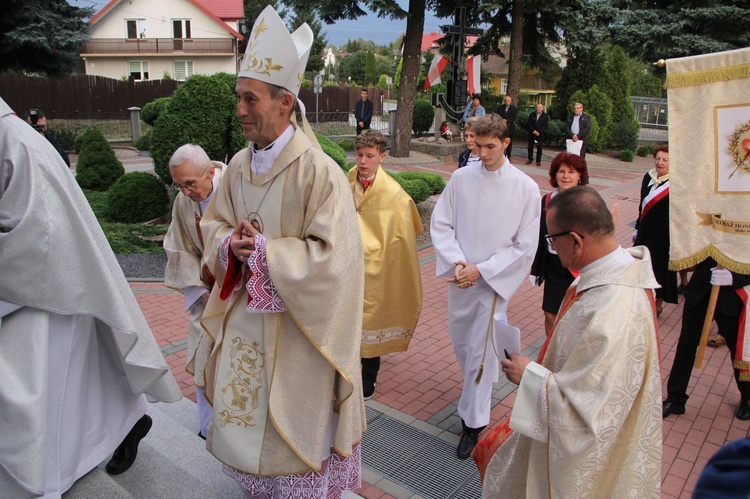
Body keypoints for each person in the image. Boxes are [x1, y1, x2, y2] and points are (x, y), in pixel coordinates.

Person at [199, 6, 366, 496]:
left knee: (294, 450)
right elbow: (213, 226)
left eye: (250, 99)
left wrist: (268, 253)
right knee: (246, 438)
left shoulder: (319, 173)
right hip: (245, 328)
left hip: (299, 340)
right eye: (239, 98)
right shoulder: (234, 166)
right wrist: (230, 243)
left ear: (285, 102)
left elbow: (336, 263)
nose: (241, 110)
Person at [0, 96, 182, 497]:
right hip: (51, 283)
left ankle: (47, 472)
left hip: (44, 287)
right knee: (86, 371)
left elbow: (35, 234)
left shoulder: (14, 141)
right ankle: (129, 420)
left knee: (37, 385)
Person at [483, 186, 662, 498]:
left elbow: (590, 414)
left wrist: (529, 376)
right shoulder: (609, 272)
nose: (552, 247)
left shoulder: (614, 310)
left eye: (552, 240)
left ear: (576, 241)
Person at [431, 113, 540, 459]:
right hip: (461, 277)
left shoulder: (525, 188)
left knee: (479, 353)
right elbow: (442, 223)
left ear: (506, 143)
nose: (483, 152)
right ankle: (476, 395)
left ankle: (473, 424)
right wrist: (460, 262)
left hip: (492, 283)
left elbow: (525, 245)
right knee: (463, 345)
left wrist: (483, 270)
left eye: (490, 146)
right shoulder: (462, 178)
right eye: (477, 145)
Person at [347, 129, 423, 401]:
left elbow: (402, 234)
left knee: (373, 322)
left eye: (370, 156)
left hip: (377, 267)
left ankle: (368, 379)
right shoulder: (346, 181)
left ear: (382, 156)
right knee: (347, 320)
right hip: (348, 266)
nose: (363, 161)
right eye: (359, 155)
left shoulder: (395, 195)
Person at [163, 143, 225, 440]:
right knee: (202, 358)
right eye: (179, 185)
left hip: (236, 296)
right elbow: (179, 246)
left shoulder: (234, 192)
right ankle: (207, 428)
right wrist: (199, 289)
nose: (186, 192)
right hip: (204, 295)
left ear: (211, 172)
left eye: (190, 184)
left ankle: (231, 430)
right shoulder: (182, 201)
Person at [662, 258, 750, 420]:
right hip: (700, 289)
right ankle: (675, 399)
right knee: (685, 346)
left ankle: (748, 398)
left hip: (732, 296)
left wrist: (734, 278)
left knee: (738, 351)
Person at [529, 152, 589, 336]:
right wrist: (536, 268)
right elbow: (540, 235)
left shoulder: (587, 201)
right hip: (554, 266)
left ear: (580, 176)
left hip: (578, 269)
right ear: (555, 175)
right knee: (550, 314)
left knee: (574, 317)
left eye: (571, 172)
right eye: (561, 171)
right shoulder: (547, 200)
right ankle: (551, 356)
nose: (566, 176)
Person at [632, 145, 677, 317]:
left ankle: (658, 303)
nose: (660, 162)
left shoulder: (675, 184)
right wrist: (637, 227)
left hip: (664, 235)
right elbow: (641, 205)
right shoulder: (647, 177)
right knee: (641, 265)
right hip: (646, 231)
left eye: (665, 160)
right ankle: (642, 299)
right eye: (658, 158)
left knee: (660, 269)